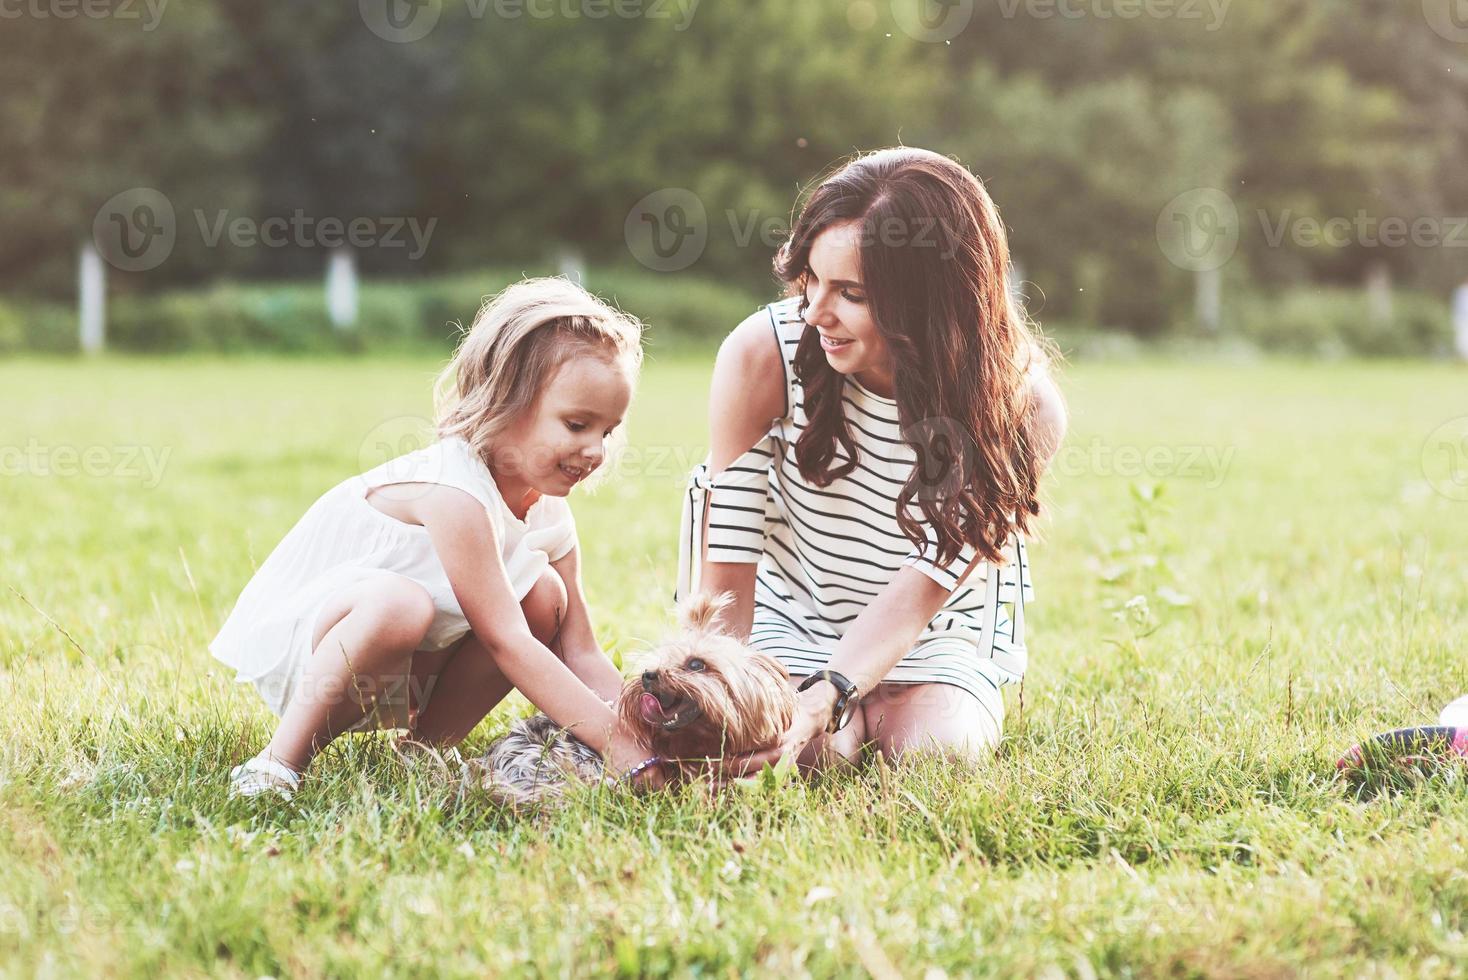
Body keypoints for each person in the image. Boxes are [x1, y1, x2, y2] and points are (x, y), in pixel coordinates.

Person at [678, 148, 1067, 772]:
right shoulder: (762, 354)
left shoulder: (1022, 406)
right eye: (810, 279)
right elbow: (729, 557)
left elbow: (924, 589)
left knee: (934, 757)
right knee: (815, 755)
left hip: (932, 639)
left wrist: (830, 693)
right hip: (791, 620)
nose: (815, 313)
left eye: (850, 293)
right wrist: (725, 694)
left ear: (929, 301)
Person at [211, 278, 653, 798]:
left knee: (545, 597)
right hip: (323, 657)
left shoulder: (547, 510)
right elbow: (504, 641)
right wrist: (619, 751)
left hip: (411, 663)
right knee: (400, 604)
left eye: (606, 431)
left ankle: (424, 751)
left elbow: (579, 650)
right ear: (506, 400)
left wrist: (645, 736)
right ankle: (278, 762)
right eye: (577, 424)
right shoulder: (455, 491)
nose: (594, 449)